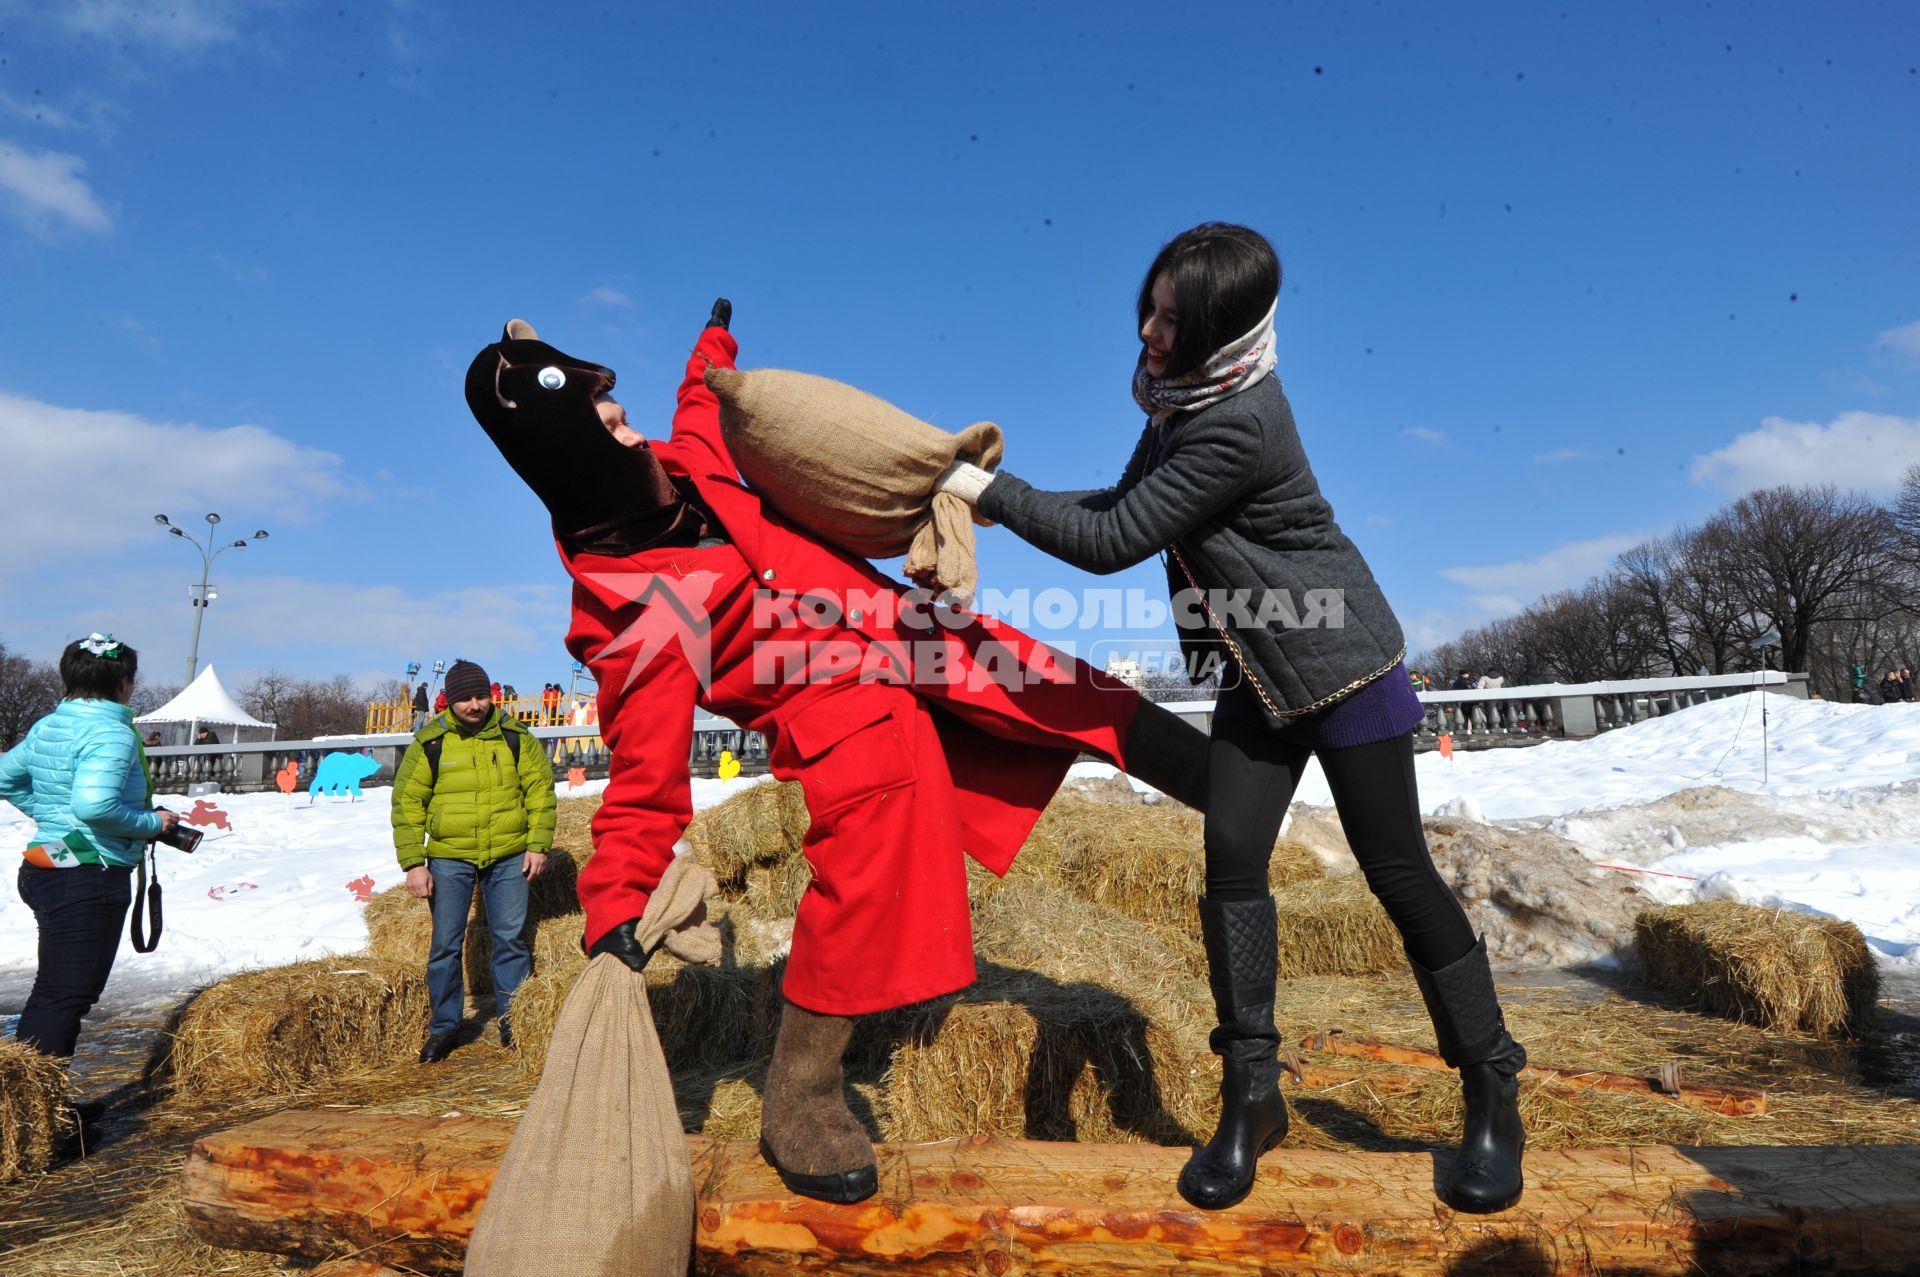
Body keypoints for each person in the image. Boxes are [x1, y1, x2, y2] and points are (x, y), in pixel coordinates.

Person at [464, 301, 1210, 1205]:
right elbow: (643, 771)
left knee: (1057, 685)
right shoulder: (637, 612)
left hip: (897, 628)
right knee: (882, 826)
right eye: (605, 420)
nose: (628, 424)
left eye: (618, 408)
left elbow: (699, 401)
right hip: (829, 705)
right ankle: (802, 1087)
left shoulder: (687, 464)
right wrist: (617, 900)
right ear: (569, 454)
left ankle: (1233, 777)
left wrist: (715, 345)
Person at [942, 223, 1527, 1215]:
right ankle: (1253, 1093)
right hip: (1259, 670)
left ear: (1221, 329)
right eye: (1151, 302)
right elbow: (1134, 500)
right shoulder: (1180, 401)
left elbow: (1113, 538)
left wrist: (994, 490)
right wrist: (1007, 501)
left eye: (1173, 317)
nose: (1149, 327)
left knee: (1398, 873)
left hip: (1340, 661)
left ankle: (1490, 1089)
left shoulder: (1238, 418)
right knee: (1230, 865)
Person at [0, 634, 179, 1063]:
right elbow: (94, 805)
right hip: (88, 876)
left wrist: (51, 816)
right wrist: (151, 823)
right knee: (64, 997)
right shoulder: (110, 734)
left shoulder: (50, 725)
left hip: (50, 865)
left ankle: (44, 1106)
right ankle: (36, 1115)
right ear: (123, 682)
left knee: (56, 991)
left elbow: (6, 777)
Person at [390, 659, 556, 1063]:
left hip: (508, 855)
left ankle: (514, 1021)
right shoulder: (431, 742)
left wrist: (538, 845)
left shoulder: (516, 737)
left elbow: (540, 791)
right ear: (451, 700)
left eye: (481, 695)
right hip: (450, 857)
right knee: (445, 945)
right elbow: (407, 803)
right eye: (465, 698)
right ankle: (445, 1028)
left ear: (491, 696)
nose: (475, 705)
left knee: (510, 942)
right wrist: (414, 862)